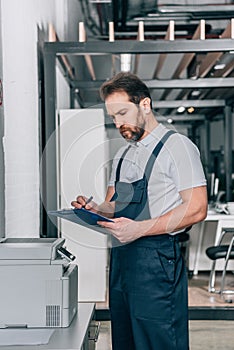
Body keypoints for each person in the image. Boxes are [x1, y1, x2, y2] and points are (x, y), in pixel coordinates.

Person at [71, 72, 207, 350]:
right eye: (113, 117)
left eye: (123, 112)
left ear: (145, 105)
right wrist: (96, 208)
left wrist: (139, 229)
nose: (118, 123)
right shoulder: (124, 154)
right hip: (122, 258)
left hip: (157, 259)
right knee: (126, 339)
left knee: (159, 339)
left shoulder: (177, 147)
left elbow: (196, 208)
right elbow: (114, 205)